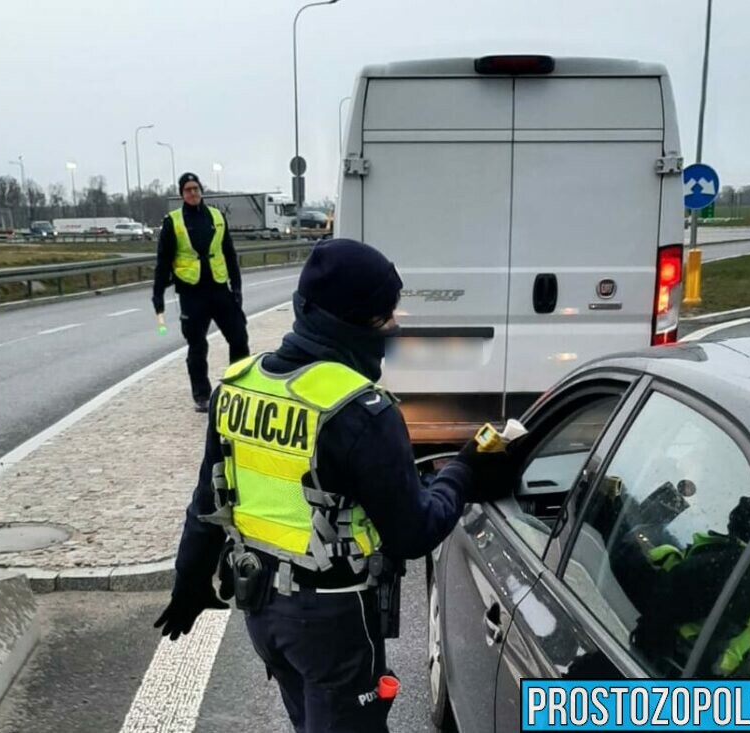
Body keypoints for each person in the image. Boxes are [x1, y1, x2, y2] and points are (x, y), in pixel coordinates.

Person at [154, 239, 517, 732]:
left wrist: (189, 583)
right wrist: (465, 469)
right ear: (354, 325)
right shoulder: (361, 410)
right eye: (385, 317)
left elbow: (207, 504)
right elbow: (413, 532)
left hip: (262, 611)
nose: (394, 327)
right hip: (333, 623)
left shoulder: (237, 387)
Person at [614, 479, 750, 677]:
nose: (744, 500)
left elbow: (661, 595)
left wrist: (617, 536)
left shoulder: (737, 567)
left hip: (652, 667)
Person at [152, 172, 249, 412]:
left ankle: (239, 389)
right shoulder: (173, 221)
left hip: (219, 288)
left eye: (196, 188)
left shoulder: (216, 217)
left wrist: (236, 287)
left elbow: (229, 253)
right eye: (188, 190)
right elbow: (163, 260)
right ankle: (202, 396)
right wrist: (158, 293)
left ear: (201, 191)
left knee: (239, 337)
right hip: (191, 293)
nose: (193, 193)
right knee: (197, 346)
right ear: (181, 194)